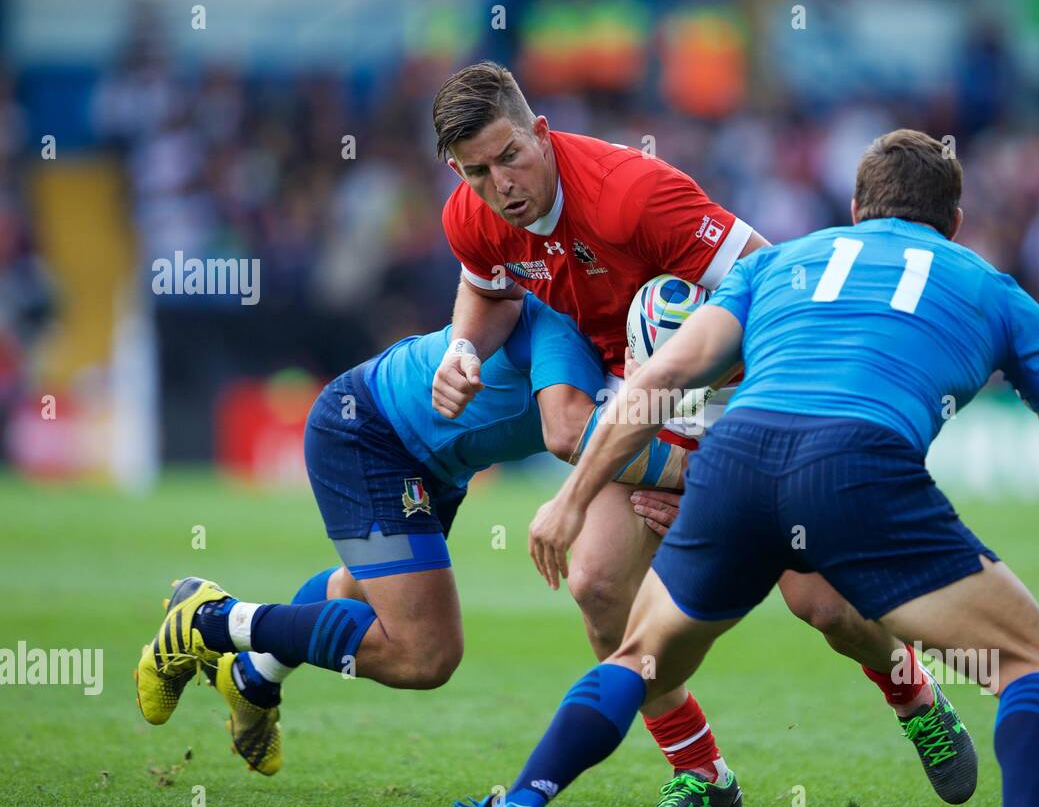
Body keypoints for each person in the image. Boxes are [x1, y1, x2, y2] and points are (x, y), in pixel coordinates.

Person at [426, 128, 1039, 807]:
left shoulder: (781, 260)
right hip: (855, 463)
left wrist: (567, 500)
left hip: (737, 456)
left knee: (646, 656)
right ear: (955, 223)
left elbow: (662, 377)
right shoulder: (990, 288)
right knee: (1034, 662)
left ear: (855, 207)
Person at [134, 294, 685, 775]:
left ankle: (254, 676)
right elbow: (568, 430)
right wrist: (701, 477)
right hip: (371, 433)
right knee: (425, 653)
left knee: (361, 592)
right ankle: (206, 620)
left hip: (435, 463)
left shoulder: (636, 328)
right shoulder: (568, 318)